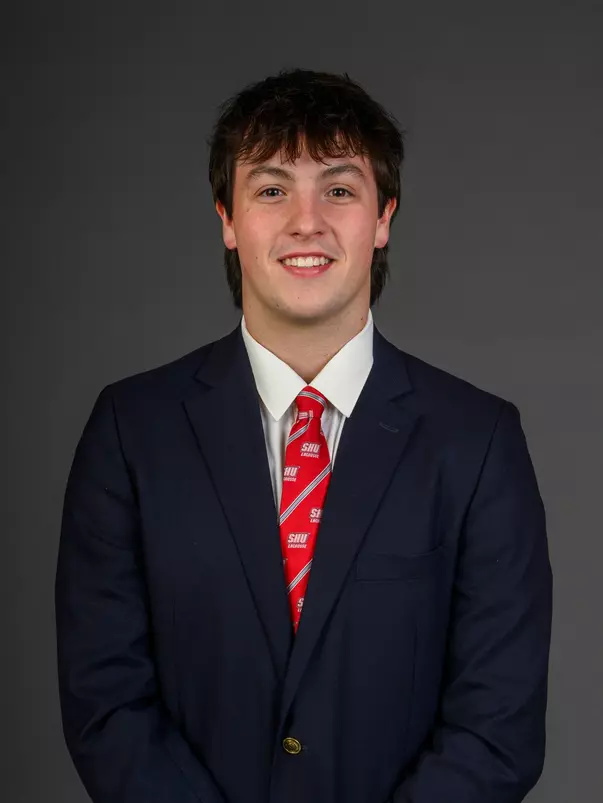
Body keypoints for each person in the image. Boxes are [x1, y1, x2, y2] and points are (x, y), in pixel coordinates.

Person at [55, 68, 553, 803]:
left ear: (383, 215)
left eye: (340, 189)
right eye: (271, 188)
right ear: (226, 216)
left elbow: (496, 723)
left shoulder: (476, 442)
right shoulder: (131, 433)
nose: (305, 222)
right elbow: (107, 703)